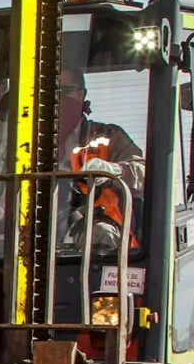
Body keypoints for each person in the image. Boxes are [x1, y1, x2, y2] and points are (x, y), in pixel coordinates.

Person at [57, 67, 143, 257]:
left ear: (82, 94)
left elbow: (144, 172)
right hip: (39, 223)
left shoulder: (107, 136)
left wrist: (113, 171)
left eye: (64, 91)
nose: (58, 99)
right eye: (52, 92)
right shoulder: (28, 143)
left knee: (101, 234)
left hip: (93, 221)